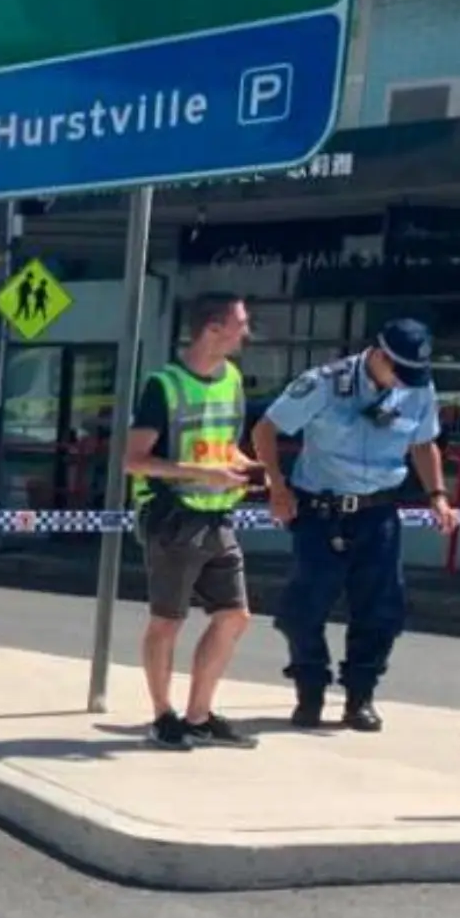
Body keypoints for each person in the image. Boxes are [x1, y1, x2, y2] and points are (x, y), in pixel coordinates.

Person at [251, 319, 460, 732]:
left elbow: (422, 443)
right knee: (305, 607)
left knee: (381, 610)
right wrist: (277, 485)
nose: (405, 382)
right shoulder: (324, 383)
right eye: (399, 371)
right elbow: (266, 429)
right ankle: (309, 691)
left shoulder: (417, 388)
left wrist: (437, 494)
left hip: (378, 512)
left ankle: (359, 698)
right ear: (379, 355)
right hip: (319, 511)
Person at [123, 291, 261, 750]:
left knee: (235, 615)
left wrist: (246, 469)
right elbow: (134, 460)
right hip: (173, 516)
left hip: (217, 513)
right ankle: (164, 715)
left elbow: (225, 445)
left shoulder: (233, 379)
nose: (247, 331)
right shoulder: (163, 385)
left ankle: (199, 715)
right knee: (167, 620)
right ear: (212, 328)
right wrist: (203, 473)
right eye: (240, 323)